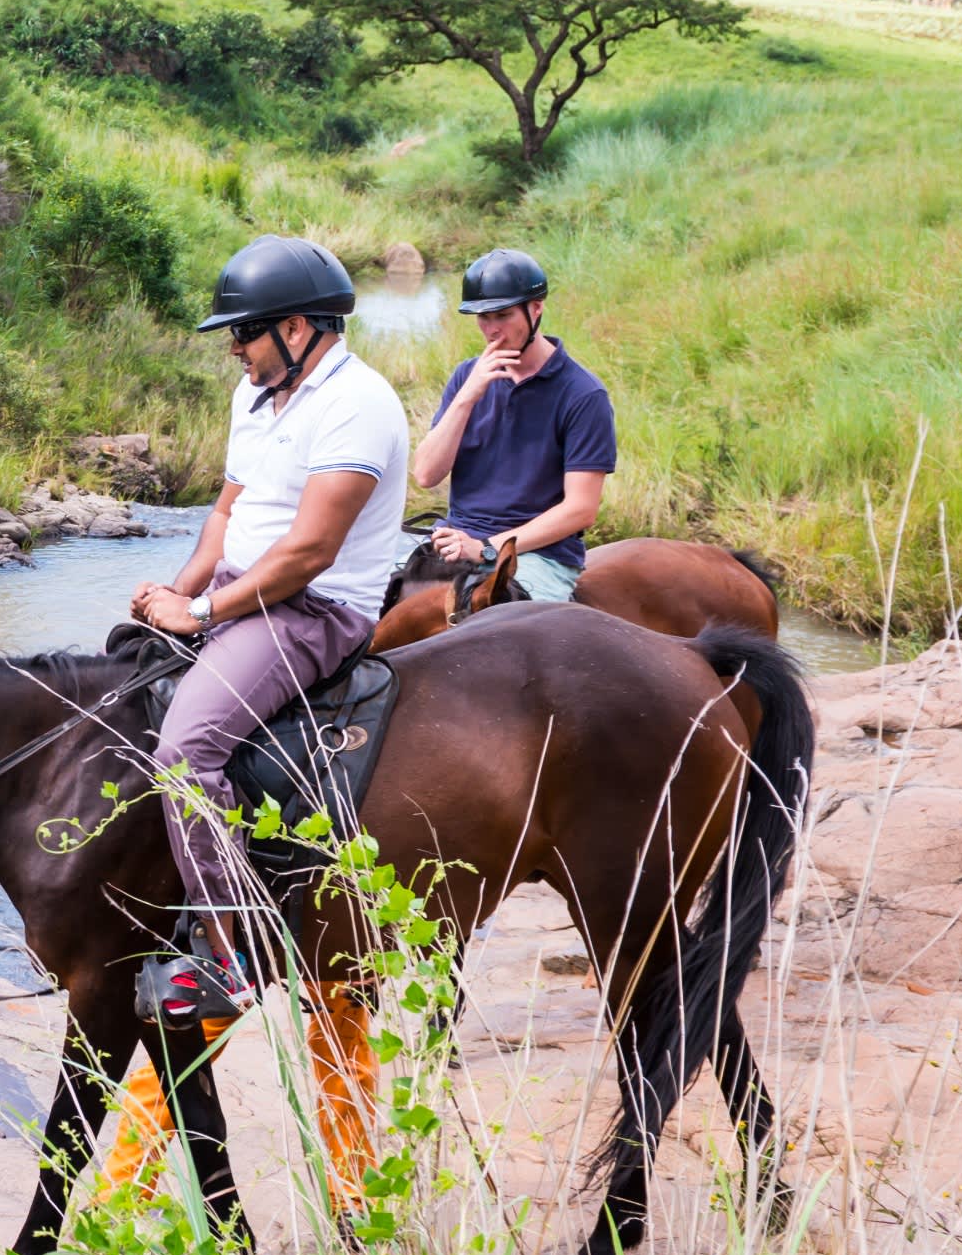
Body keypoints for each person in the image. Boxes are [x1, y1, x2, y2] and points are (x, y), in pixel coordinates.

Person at [129, 236, 410, 1011]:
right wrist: (175, 592)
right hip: (239, 588)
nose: (234, 350)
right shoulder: (257, 396)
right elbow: (228, 511)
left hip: (311, 611)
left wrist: (205, 611)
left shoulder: (359, 404)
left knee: (186, 753)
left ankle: (235, 949)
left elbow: (311, 550)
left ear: (296, 330)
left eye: (243, 333)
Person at [409, 247, 615, 602]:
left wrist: (487, 548)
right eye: (482, 318)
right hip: (455, 538)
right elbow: (426, 475)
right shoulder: (466, 377)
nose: (491, 331)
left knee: (513, 639)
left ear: (536, 309)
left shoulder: (583, 394)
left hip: (538, 556)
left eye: (502, 316)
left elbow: (581, 509)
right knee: (365, 608)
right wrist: (467, 397)